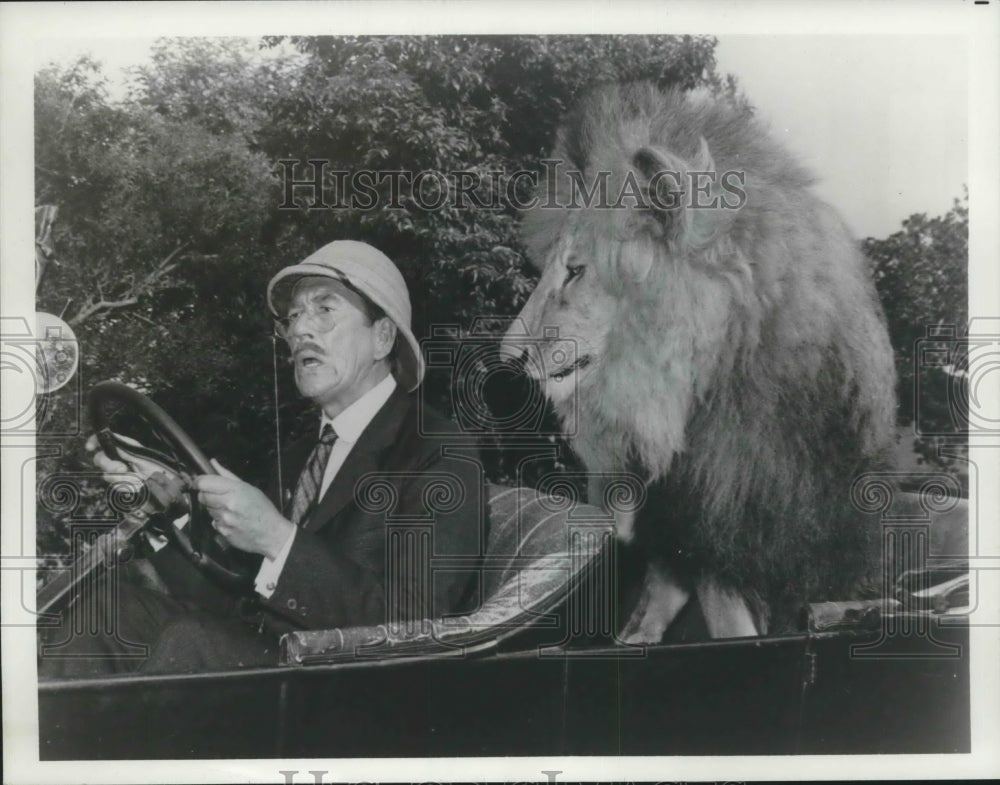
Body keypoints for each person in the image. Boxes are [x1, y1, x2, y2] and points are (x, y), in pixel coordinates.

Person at [39, 240, 486, 675]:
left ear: (383, 336)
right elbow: (234, 598)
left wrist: (278, 538)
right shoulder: (299, 457)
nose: (299, 331)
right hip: (269, 665)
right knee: (104, 611)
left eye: (325, 310)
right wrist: (167, 507)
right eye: (293, 317)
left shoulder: (437, 451)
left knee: (192, 643)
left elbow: (420, 624)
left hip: (353, 693)